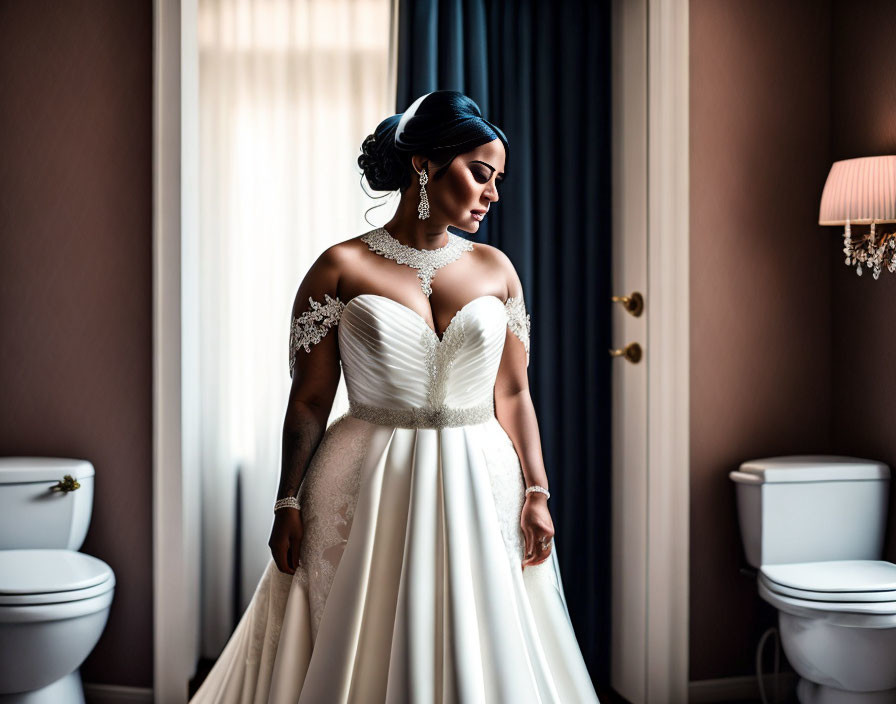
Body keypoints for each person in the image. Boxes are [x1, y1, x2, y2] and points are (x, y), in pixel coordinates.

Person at [190, 90, 601, 703]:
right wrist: (288, 502)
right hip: (363, 481)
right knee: (361, 634)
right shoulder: (340, 267)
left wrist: (538, 492)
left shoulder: (497, 269)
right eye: (480, 174)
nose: (493, 194)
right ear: (426, 164)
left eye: (497, 180)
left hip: (479, 479)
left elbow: (514, 392)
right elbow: (308, 399)